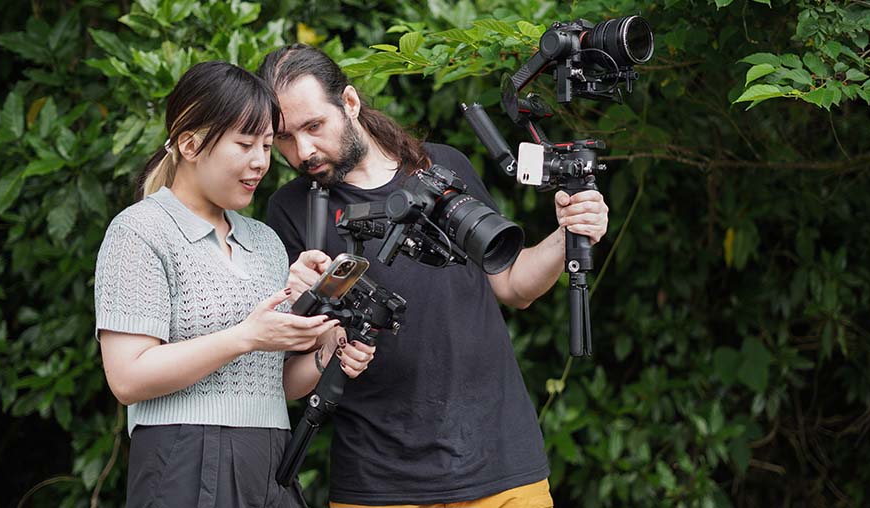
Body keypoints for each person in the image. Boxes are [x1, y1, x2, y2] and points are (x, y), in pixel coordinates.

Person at [258, 44, 609, 508]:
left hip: (499, 465)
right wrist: (316, 322)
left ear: (350, 103)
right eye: (284, 137)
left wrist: (568, 234)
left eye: (313, 126)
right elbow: (285, 380)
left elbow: (513, 285)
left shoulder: (441, 167)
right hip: (379, 481)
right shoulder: (290, 209)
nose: (302, 150)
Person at [93, 60, 377, 508]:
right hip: (182, 457)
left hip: (271, 459)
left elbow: (272, 384)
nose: (261, 162)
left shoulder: (264, 241)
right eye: (245, 145)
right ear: (189, 143)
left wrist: (328, 351)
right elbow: (128, 377)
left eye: (267, 145)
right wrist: (245, 337)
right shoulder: (141, 231)